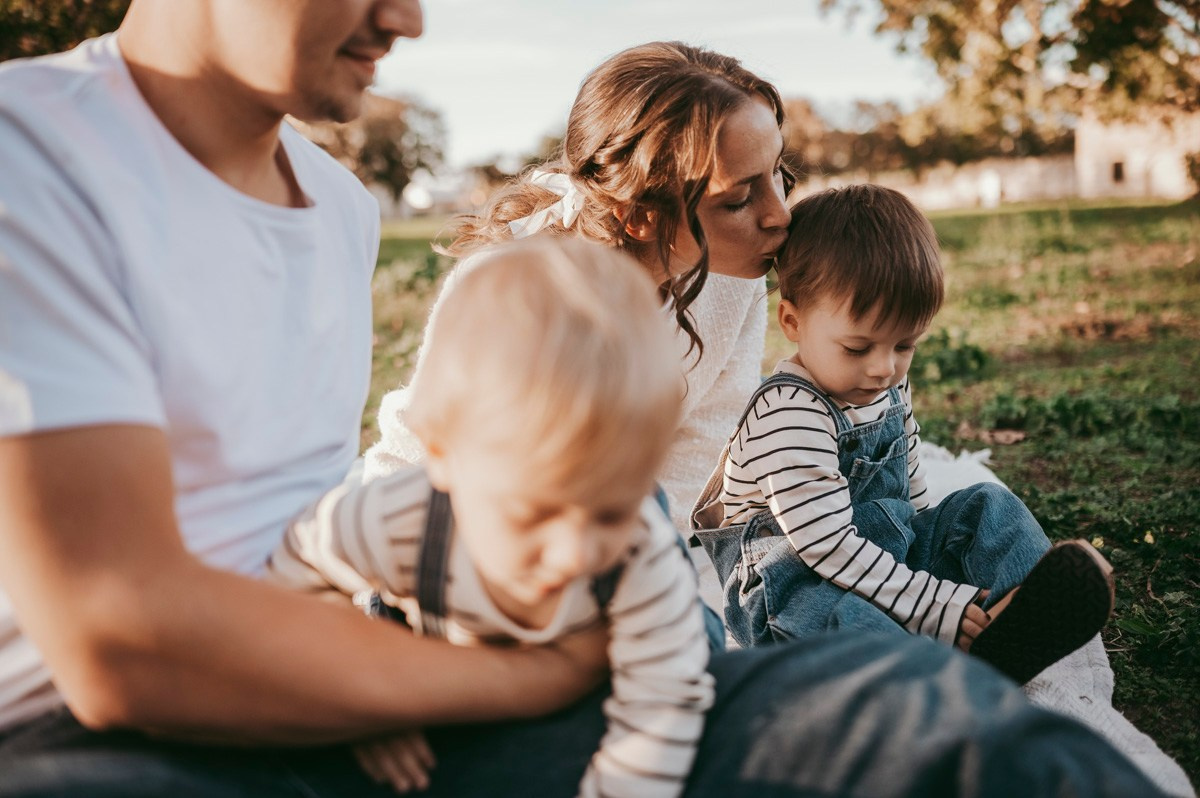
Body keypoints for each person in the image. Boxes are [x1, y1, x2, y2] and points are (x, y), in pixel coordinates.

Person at [0, 3, 1168, 794]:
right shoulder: (33, 151)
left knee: (934, 724)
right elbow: (122, 641)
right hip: (107, 738)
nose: (409, 19)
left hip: (382, 674)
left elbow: (305, 537)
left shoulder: (337, 205)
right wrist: (536, 669)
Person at [269, 237, 714, 796]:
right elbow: (291, 582)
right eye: (534, 514)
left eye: (610, 511)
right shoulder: (396, 518)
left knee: (704, 671)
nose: (574, 552)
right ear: (440, 456)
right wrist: (360, 693)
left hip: (585, 708)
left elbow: (659, 709)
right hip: (427, 698)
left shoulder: (640, 553)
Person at [689, 183, 1114, 684]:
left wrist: (930, 561)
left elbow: (907, 472)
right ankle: (924, 683)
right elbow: (827, 546)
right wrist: (931, 602)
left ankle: (1017, 618)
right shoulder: (789, 413)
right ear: (792, 321)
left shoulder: (884, 382)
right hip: (794, 584)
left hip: (882, 552)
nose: (884, 368)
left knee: (985, 507)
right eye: (857, 347)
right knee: (851, 624)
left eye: (905, 344)